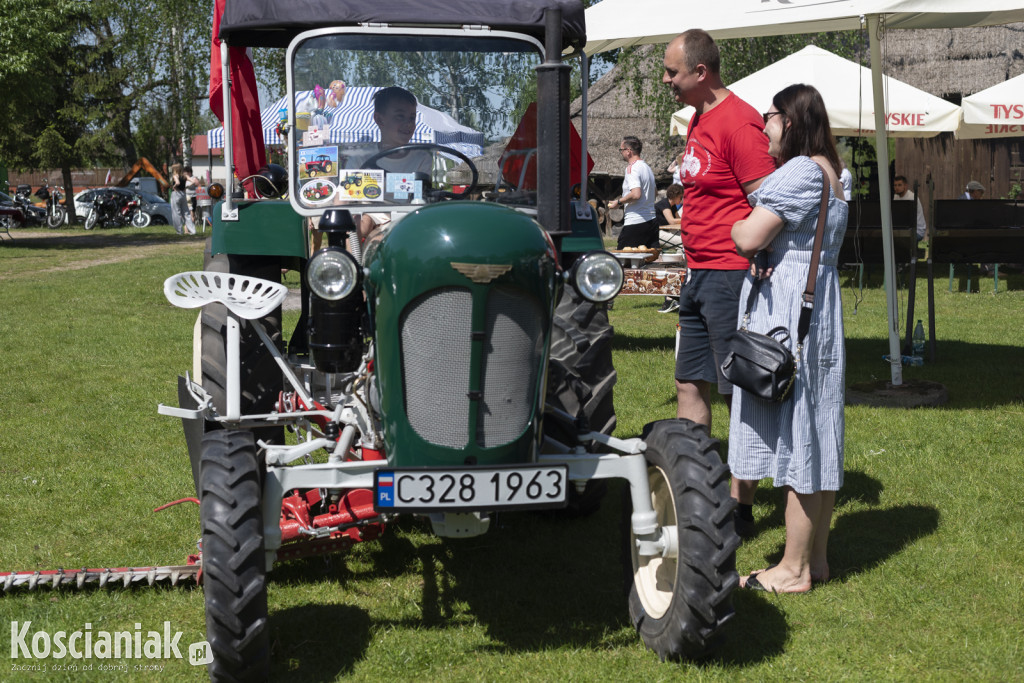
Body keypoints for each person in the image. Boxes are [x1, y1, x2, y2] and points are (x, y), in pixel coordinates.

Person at [728, 84, 849, 593]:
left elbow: (748, 236)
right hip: (818, 311)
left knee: (801, 433)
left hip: (789, 318)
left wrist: (739, 229)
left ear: (793, 121)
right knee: (818, 432)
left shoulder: (800, 171)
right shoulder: (835, 173)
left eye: (771, 117)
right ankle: (816, 559)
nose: (764, 127)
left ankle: (793, 569)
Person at [661, 30, 775, 440]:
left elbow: (768, 201)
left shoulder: (740, 122)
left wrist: (756, 260)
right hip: (698, 271)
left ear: (701, 72)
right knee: (688, 382)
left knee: (736, 389)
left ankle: (744, 489)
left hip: (731, 273)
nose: (665, 80)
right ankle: (692, 477)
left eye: (672, 72)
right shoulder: (698, 118)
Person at [357, 86, 433, 242]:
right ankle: (352, 265)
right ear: (379, 119)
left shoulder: (421, 158)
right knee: (357, 227)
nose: (408, 124)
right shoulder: (360, 157)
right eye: (400, 117)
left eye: (412, 118)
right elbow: (347, 190)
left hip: (406, 216)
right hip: (370, 212)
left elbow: (419, 195)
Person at [607, 136, 657, 249]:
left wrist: (618, 202)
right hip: (652, 222)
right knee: (650, 261)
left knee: (623, 261)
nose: (621, 153)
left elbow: (636, 194)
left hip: (636, 221)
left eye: (621, 150)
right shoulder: (647, 168)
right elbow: (655, 193)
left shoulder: (632, 168)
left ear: (628, 151)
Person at [655, 184, 684, 314]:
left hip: (664, 233)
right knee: (683, 242)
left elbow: (679, 219)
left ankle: (680, 267)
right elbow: (673, 221)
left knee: (685, 239)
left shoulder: (672, 206)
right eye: (681, 197)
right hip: (656, 234)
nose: (681, 200)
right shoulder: (664, 205)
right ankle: (679, 266)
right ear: (676, 196)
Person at [893, 175, 928, 241]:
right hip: (905, 229)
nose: (896, 187)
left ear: (905, 186)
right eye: (895, 185)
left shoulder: (911, 198)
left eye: (899, 185)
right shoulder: (896, 196)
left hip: (917, 231)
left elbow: (906, 218)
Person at [169, 163, 195, 236]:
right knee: (186, 213)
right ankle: (193, 231)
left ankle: (179, 231)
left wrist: (173, 186)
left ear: (175, 170)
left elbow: (177, 182)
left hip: (176, 194)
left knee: (176, 213)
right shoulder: (185, 176)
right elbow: (193, 181)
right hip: (183, 194)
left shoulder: (175, 176)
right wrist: (187, 187)